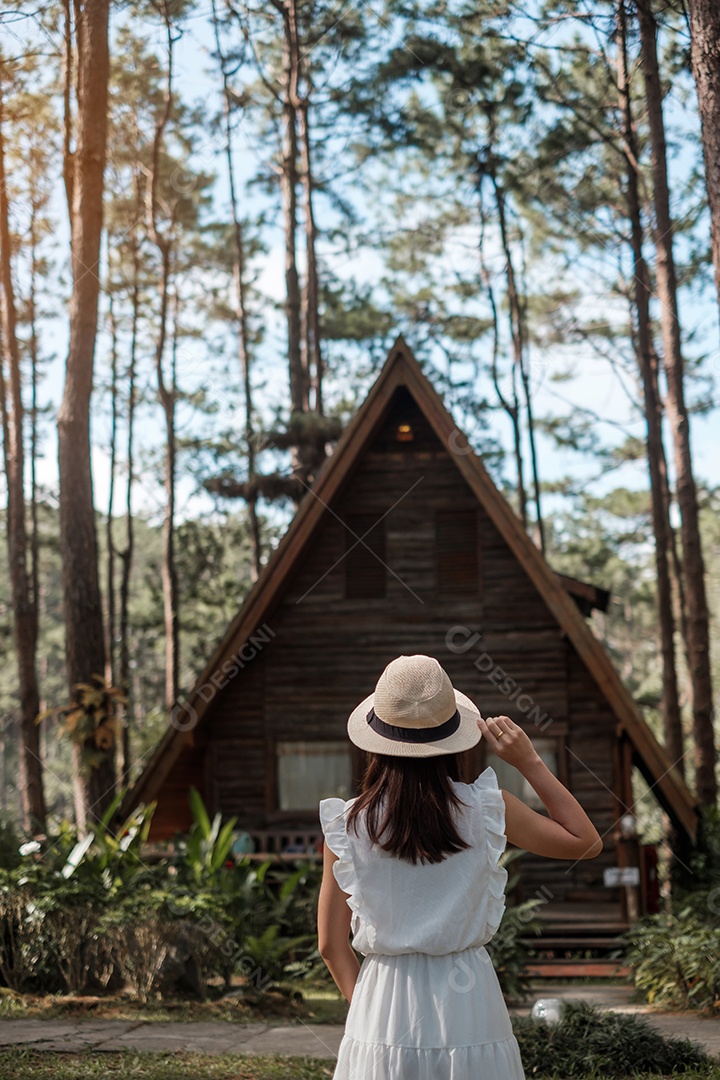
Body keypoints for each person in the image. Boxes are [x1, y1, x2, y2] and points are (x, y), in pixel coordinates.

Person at [317, 654, 603, 1080]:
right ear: (453, 736)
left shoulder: (348, 825)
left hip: (381, 1000)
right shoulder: (488, 808)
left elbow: (330, 945)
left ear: (376, 739)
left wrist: (366, 1012)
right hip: (468, 1001)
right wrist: (530, 762)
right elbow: (587, 842)